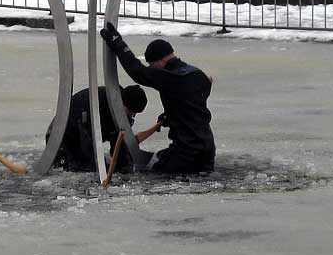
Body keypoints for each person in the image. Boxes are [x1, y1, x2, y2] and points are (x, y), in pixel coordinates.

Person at [100, 23, 215, 173]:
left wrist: (117, 42)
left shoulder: (170, 77)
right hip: (207, 147)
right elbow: (192, 102)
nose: (151, 69)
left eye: (152, 65)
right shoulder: (197, 74)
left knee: (156, 175)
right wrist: (173, 114)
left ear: (160, 61)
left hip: (187, 151)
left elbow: (136, 70)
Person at [46, 84, 147, 172]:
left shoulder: (120, 110)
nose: (132, 116)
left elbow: (119, 141)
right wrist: (102, 168)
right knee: (82, 167)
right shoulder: (94, 105)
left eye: (135, 113)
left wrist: (124, 165)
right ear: (122, 104)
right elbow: (87, 145)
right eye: (131, 112)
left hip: (83, 135)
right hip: (60, 139)